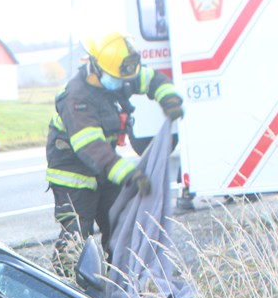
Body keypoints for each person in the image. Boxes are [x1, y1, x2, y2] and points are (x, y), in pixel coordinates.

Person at [45, 32, 184, 278]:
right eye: (117, 79)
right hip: (73, 175)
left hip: (104, 169)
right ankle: (62, 286)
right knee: (77, 234)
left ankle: (120, 283)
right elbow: (91, 148)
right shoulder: (76, 98)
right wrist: (129, 174)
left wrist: (169, 98)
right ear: (95, 68)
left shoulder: (117, 75)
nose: (122, 84)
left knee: (119, 225)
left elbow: (151, 79)